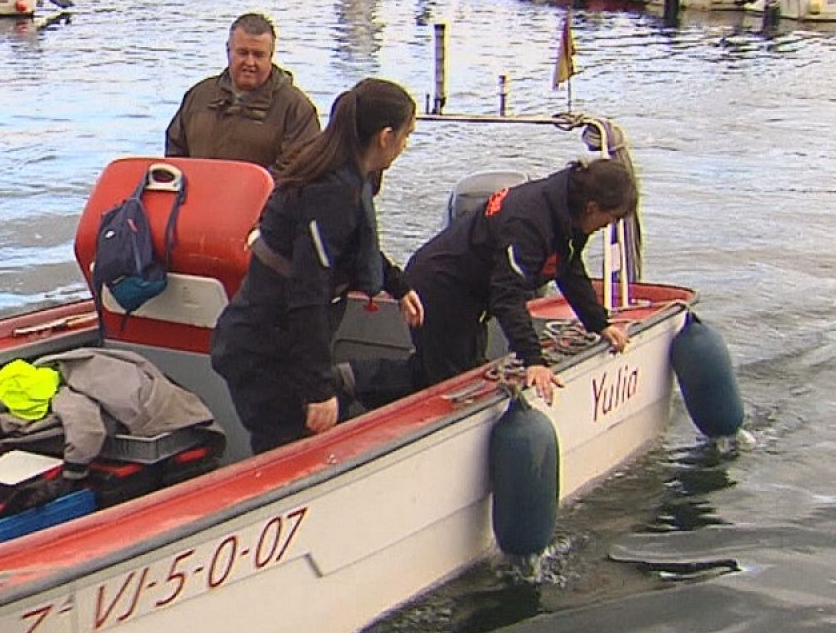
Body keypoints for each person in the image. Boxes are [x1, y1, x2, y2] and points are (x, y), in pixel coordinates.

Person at [210, 79, 425, 454]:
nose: (405, 146)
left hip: (279, 342)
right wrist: (318, 390)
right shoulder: (331, 193)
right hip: (261, 350)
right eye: (406, 136)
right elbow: (306, 294)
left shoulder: (346, 174)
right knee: (285, 447)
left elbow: (355, 249)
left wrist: (398, 284)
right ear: (385, 137)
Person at [403, 157, 637, 403]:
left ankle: (365, 381)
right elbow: (508, 295)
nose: (608, 225)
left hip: (472, 294)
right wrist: (533, 360)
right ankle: (362, 382)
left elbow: (568, 269)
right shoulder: (529, 222)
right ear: (592, 207)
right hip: (441, 288)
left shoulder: (566, 212)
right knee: (452, 385)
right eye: (612, 218)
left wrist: (599, 322)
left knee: (459, 368)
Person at [164, 12, 322, 167]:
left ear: (271, 56)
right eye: (242, 53)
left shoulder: (296, 109)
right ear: (228, 51)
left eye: (258, 55)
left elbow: (299, 169)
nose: (250, 62)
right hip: (201, 191)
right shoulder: (199, 96)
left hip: (264, 192)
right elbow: (175, 154)